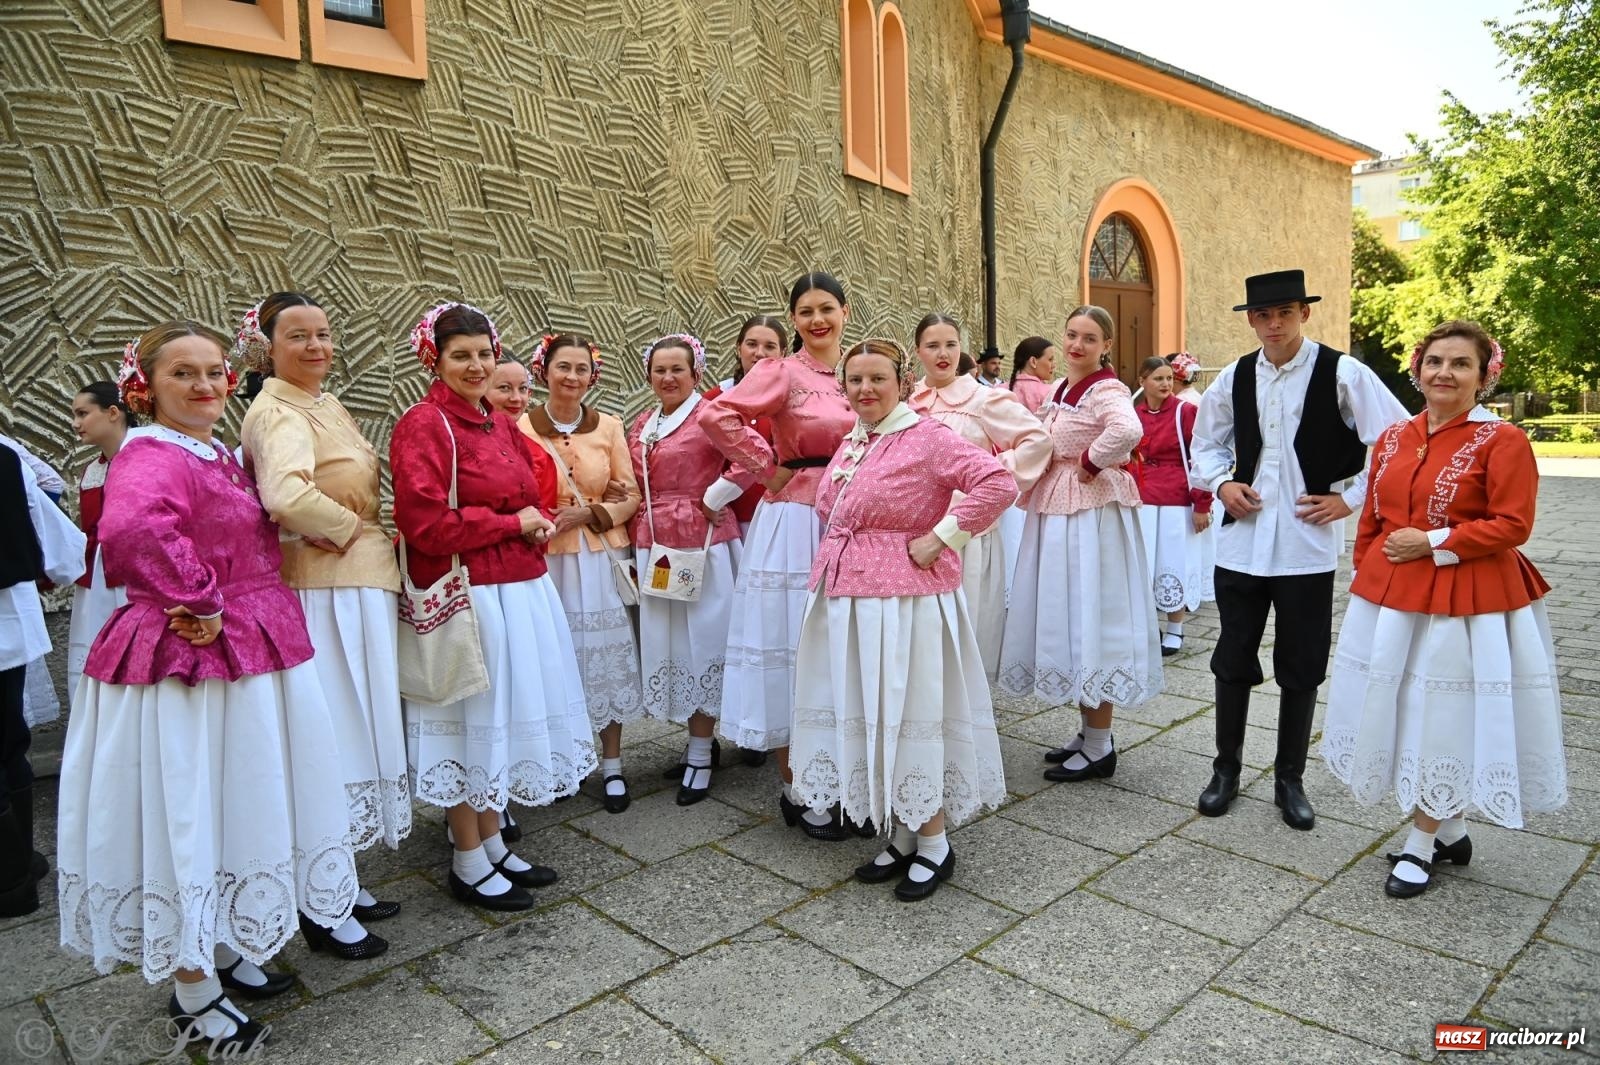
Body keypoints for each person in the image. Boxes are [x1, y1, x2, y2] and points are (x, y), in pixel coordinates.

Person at [57, 323, 358, 1053]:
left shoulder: (211, 450)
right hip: (191, 650)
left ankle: (223, 944)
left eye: (215, 371)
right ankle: (193, 990)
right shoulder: (149, 451)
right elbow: (135, 531)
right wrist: (202, 600)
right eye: (183, 373)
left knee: (235, 798)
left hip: (248, 640)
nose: (205, 385)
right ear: (146, 387)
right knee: (188, 808)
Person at [1322, 321, 1565, 896]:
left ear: (1484, 376)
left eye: (1460, 364)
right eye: (1434, 361)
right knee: (1404, 707)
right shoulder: (1393, 437)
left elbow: (1513, 524)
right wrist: (1366, 572)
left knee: (1442, 712)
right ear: (1418, 369)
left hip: (1466, 601)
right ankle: (1451, 830)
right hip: (1394, 598)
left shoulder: (1503, 440)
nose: (1445, 373)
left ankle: (1421, 841)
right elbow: (1373, 517)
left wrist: (1433, 542)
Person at [790, 339, 1015, 901]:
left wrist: (943, 536)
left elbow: (999, 483)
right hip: (851, 596)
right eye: (855, 380)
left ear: (902, 382)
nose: (865, 389)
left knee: (909, 710)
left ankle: (934, 843)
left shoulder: (927, 436)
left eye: (878, 379)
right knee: (873, 715)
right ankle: (903, 832)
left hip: (904, 604)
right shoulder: (858, 438)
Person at [391, 303, 594, 911]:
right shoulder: (425, 424)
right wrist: (512, 523)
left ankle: (492, 842)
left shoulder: (496, 422)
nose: (476, 366)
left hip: (519, 590)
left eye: (484, 353)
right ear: (434, 360)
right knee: (469, 724)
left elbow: (528, 496)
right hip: (472, 596)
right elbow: (424, 525)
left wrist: (534, 521)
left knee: (496, 724)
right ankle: (467, 857)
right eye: (461, 356)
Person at [1190, 270, 1409, 830]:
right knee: (1232, 656)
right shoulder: (1235, 376)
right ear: (1251, 319)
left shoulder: (1343, 372)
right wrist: (1221, 484)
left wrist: (1350, 498)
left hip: (1306, 545)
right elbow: (1205, 443)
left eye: (1284, 312)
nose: (1274, 324)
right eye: (1263, 315)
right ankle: (1225, 770)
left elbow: (1399, 441)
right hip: (1240, 545)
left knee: (1303, 661)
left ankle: (1290, 778)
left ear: (1304, 313)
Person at [237, 292, 410, 960]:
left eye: (324, 333)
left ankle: (339, 877)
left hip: (355, 580)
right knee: (333, 740)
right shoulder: (276, 409)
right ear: (268, 347)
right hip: (325, 588)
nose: (316, 346)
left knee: (356, 733)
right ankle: (322, 901)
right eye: (298, 336)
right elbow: (284, 495)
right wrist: (348, 528)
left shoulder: (323, 402)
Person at [699, 271, 857, 840]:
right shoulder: (781, 370)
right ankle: (801, 789)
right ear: (792, 319)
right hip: (795, 521)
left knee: (842, 650)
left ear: (844, 311)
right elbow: (716, 415)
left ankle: (842, 778)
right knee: (795, 646)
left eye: (826, 308)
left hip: (853, 519)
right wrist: (766, 468)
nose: (817, 320)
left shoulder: (855, 370)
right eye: (805, 311)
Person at [999, 305, 1160, 781]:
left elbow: (1127, 429)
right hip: (1064, 511)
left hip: (1092, 516)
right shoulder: (1062, 388)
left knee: (1093, 614)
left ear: (1106, 345)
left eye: (1089, 338)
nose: (1076, 345)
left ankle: (1099, 744)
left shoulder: (1106, 388)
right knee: (1071, 616)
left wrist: (1090, 462)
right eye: (1071, 335)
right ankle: (1090, 732)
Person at [518, 333, 644, 814]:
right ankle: (561, 760)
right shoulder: (519, 427)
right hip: (544, 558)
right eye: (563, 367)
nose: (572, 377)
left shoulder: (609, 426)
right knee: (554, 659)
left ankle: (612, 764)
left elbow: (629, 493)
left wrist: (590, 512)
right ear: (544, 371)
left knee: (606, 659)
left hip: (597, 557)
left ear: (593, 375)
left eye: (581, 369)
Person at [627, 334, 746, 804]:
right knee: (674, 642)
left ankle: (700, 750)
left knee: (705, 641)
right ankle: (698, 741)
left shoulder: (712, 414)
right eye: (660, 370)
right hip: (658, 544)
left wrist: (715, 497)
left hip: (704, 541)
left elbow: (752, 459)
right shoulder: (645, 421)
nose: (668, 377)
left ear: (696, 372)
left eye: (678, 369)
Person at [908, 313, 1049, 678]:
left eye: (951, 345)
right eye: (933, 346)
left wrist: (992, 475)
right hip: (914, 538)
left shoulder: (983, 399)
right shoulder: (908, 401)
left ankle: (967, 706)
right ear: (918, 351)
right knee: (919, 640)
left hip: (967, 536)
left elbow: (1037, 440)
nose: (943, 354)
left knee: (965, 631)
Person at [1, 442, 84, 919]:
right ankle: (20, 867)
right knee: (10, 741)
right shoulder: (5, 453)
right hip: (10, 621)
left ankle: (12, 882)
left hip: (9, 620)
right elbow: (58, 537)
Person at [1132, 357, 1212, 657]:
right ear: (1142, 381)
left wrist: (1202, 503)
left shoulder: (1185, 412)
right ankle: (1146, 627)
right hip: (1142, 498)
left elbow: (1201, 457)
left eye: (1169, 378)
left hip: (1177, 498)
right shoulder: (1134, 414)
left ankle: (1175, 628)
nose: (1165, 384)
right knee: (1144, 564)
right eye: (1158, 378)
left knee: (1174, 561)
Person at [66, 382, 135, 702]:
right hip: (98, 576)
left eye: (83, 413)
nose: (76, 423)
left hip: (138, 576)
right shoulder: (93, 470)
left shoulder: (148, 459)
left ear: (113, 412)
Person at [705, 315, 787, 538]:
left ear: (783, 353)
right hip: (725, 522)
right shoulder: (715, 400)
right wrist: (711, 501)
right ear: (738, 348)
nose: (759, 353)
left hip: (779, 518)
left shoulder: (792, 401)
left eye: (769, 346)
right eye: (751, 344)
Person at [1007, 336, 1058, 414]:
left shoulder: (999, 390)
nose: (1054, 365)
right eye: (1050, 359)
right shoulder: (1050, 393)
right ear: (1033, 362)